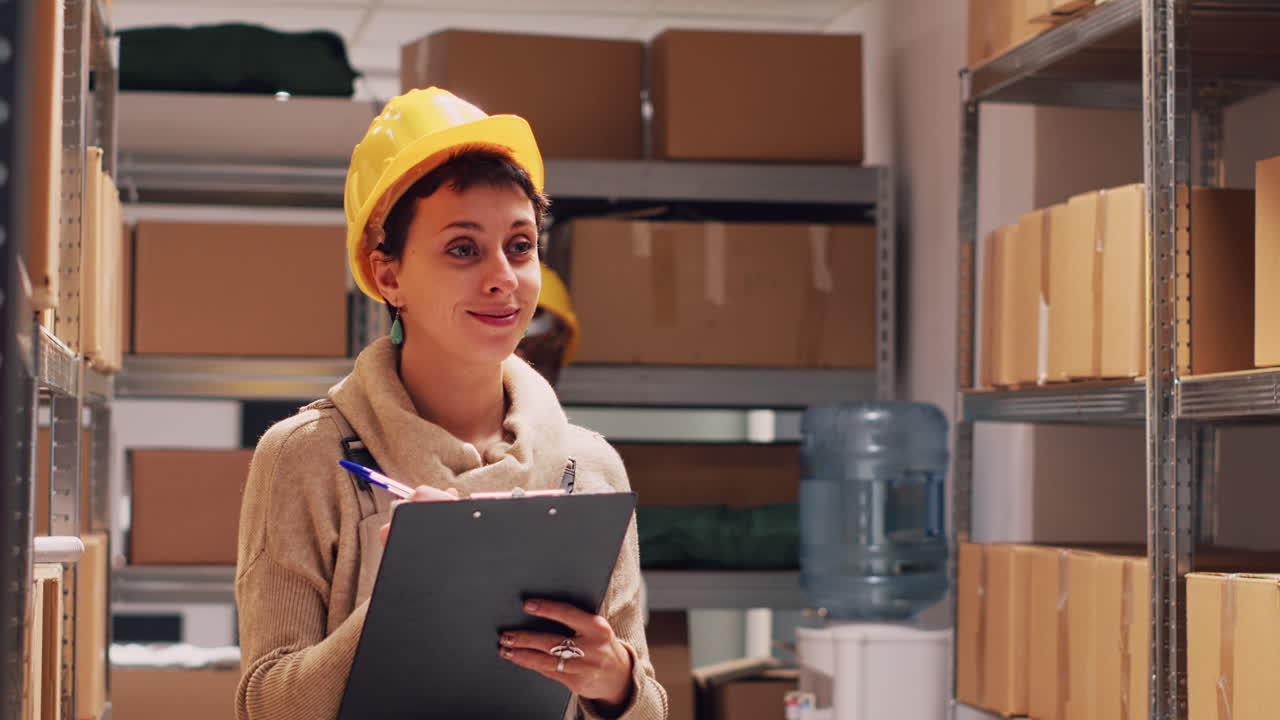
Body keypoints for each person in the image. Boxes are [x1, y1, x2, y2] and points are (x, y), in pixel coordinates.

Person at [234, 87, 667, 720]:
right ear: (389, 276)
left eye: (520, 246)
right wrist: (399, 600)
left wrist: (617, 681)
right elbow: (266, 706)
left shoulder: (590, 468)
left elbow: (644, 705)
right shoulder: (306, 457)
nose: (503, 278)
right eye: (463, 249)